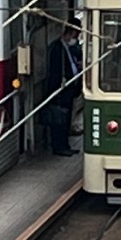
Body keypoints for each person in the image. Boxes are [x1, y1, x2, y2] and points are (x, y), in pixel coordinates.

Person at [42, 22, 83, 156]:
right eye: (75, 35)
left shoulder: (71, 49)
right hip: (60, 90)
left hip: (70, 88)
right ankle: (59, 146)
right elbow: (55, 72)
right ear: (69, 33)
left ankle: (65, 144)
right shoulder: (57, 48)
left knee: (66, 118)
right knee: (59, 120)